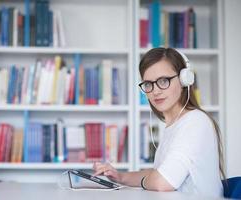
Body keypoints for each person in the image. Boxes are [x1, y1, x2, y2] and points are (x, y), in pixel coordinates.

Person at [93, 47, 225, 198]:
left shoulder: (195, 122)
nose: (155, 91)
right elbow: (158, 174)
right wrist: (120, 177)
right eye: (148, 84)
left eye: (163, 81)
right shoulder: (174, 125)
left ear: (184, 80)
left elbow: (162, 181)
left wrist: (148, 180)